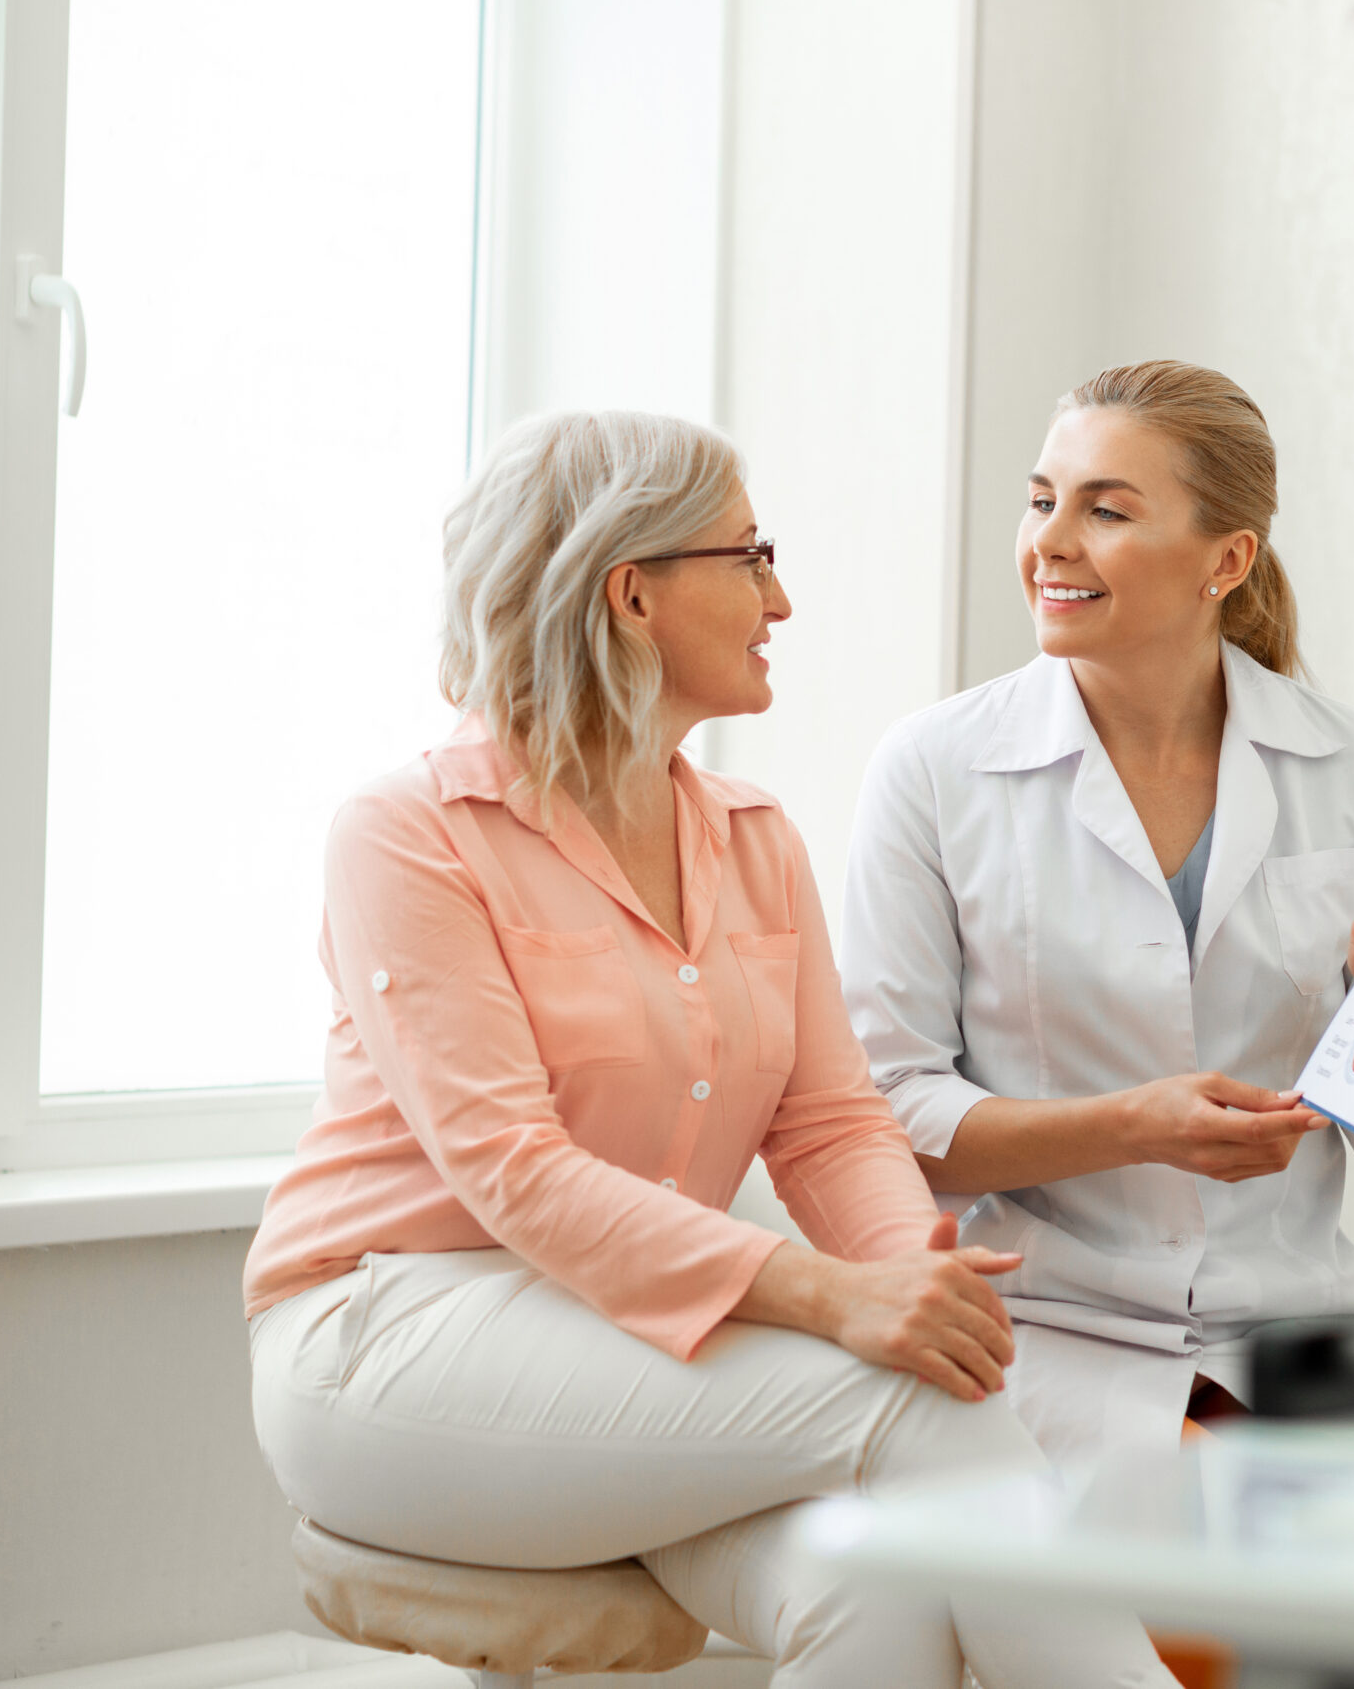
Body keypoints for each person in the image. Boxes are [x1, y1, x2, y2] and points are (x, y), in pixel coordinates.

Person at [243, 410, 1179, 1689]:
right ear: (631, 592)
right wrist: (834, 1299)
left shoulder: (751, 838)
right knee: (921, 1410)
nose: (780, 597)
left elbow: (828, 1123)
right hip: (386, 1333)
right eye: (749, 556)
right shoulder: (409, 833)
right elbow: (512, 1169)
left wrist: (917, 1281)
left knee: (876, 1581)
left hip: (618, 1335)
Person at [841, 361, 1354, 1466]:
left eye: (1106, 510)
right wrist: (1131, 1126)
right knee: (1206, 1586)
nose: (1050, 543)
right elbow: (888, 1114)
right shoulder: (935, 768)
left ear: (1225, 561)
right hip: (1047, 1330)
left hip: (1302, 1329)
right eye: (1043, 501)